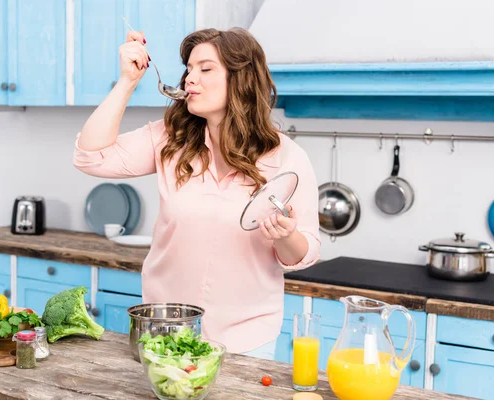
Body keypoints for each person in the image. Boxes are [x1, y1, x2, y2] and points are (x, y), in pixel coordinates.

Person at [73, 27, 320, 360]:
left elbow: (302, 254)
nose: (190, 79)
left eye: (205, 69)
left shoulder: (286, 158)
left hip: (247, 341)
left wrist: (285, 236)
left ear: (242, 79)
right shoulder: (170, 141)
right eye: (189, 69)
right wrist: (127, 82)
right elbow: (91, 156)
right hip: (165, 333)